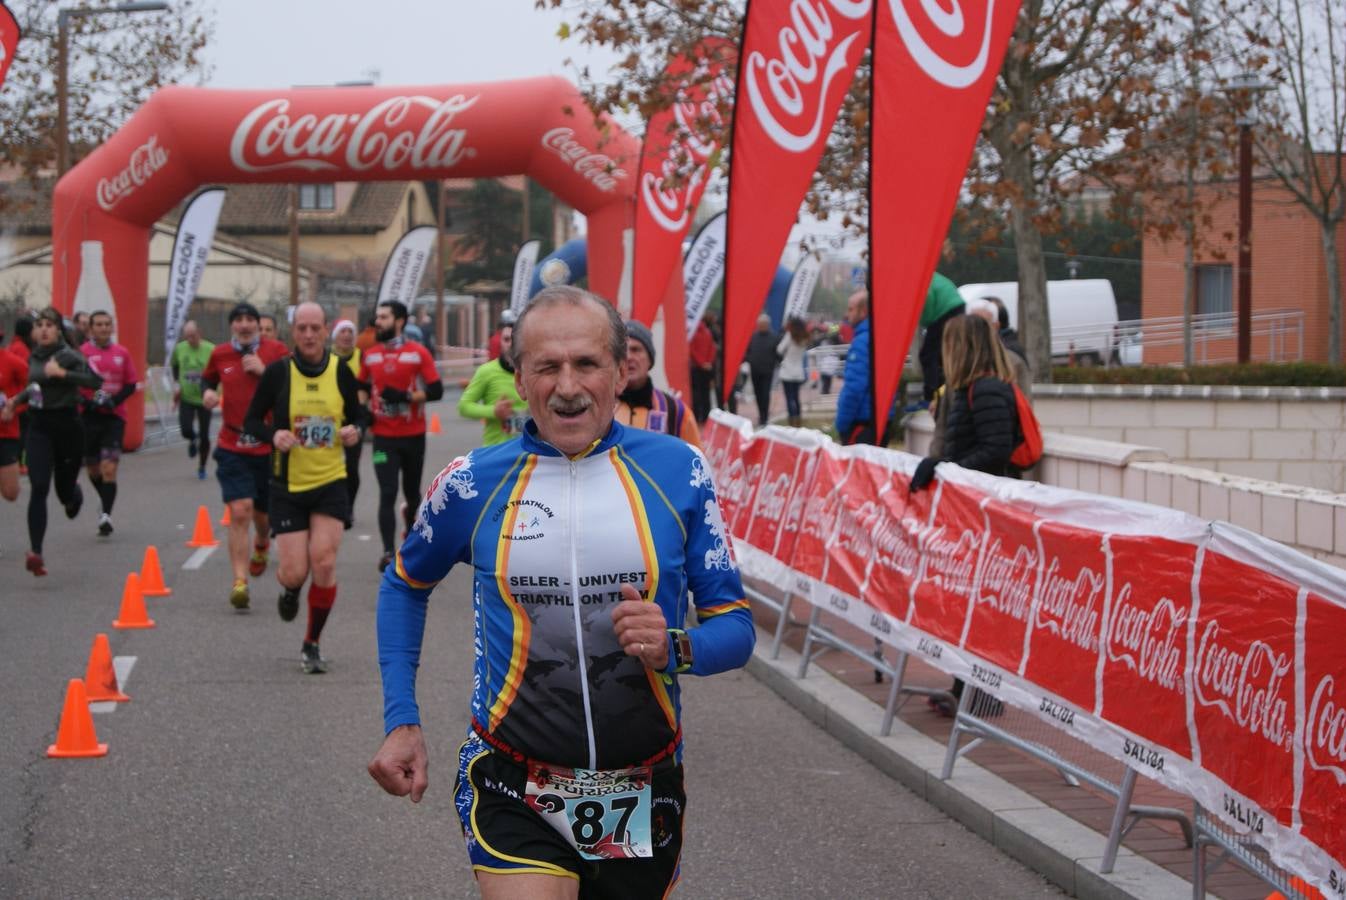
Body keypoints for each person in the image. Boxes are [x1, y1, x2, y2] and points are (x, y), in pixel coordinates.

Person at [367, 285, 755, 899]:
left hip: (641, 787)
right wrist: (401, 719)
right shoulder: (470, 484)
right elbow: (404, 587)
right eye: (547, 366)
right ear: (518, 377)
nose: (568, 386)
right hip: (513, 782)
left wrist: (675, 647)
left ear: (621, 370)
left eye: (587, 364)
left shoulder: (678, 470)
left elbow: (736, 627)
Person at [243, 303, 363, 673]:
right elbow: (251, 419)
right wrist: (273, 433)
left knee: (324, 562)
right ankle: (291, 590)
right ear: (292, 332)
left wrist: (354, 430)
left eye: (315, 328)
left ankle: (311, 643)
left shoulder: (341, 371)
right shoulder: (278, 373)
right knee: (294, 571)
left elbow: (360, 416)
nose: (309, 335)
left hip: (330, 480)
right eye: (302, 328)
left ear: (325, 330)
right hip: (288, 484)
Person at [910, 314, 1017, 716]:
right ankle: (964, 689)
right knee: (965, 604)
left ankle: (981, 695)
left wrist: (946, 469)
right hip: (970, 517)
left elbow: (995, 449)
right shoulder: (971, 389)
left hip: (982, 519)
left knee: (980, 606)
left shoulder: (987, 390)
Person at [201, 302, 290, 610]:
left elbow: (292, 388)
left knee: (262, 515)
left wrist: (264, 372)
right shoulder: (220, 354)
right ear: (232, 327)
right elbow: (207, 379)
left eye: (249, 319)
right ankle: (239, 582)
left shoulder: (277, 351)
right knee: (240, 510)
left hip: (267, 445)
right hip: (232, 443)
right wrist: (208, 394)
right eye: (238, 320)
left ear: (257, 324)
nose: (244, 324)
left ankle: (262, 541)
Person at [5, 308, 102, 576]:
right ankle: (36, 553)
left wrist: (64, 375)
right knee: (39, 486)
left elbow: (96, 382)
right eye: (40, 325)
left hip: (68, 428)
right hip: (39, 428)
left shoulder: (69, 355)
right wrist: (15, 402)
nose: (44, 329)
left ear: (58, 330)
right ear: (34, 331)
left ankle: (73, 496)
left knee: (64, 494)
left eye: (49, 325)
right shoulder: (34, 357)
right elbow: (35, 387)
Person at [357, 300, 444, 573]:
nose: (377, 322)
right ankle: (386, 553)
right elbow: (361, 385)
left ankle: (409, 532)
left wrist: (406, 397)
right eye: (377, 317)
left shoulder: (417, 353)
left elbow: (436, 390)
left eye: (383, 317)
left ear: (400, 321)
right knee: (387, 492)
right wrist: (363, 410)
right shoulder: (369, 355)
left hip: (412, 436)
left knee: (411, 493)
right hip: (383, 438)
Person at [78, 310, 139, 537]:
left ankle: (106, 515)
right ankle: (104, 499)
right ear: (91, 329)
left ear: (112, 327)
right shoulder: (82, 353)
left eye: (107, 324)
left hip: (114, 418)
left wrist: (115, 400)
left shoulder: (121, 353)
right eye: (99, 325)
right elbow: (73, 384)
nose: (103, 328)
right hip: (89, 416)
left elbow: (131, 384)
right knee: (93, 468)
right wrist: (88, 402)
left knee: (109, 468)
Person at [617, 320, 701, 448]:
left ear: (650, 360)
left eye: (636, 350)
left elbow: (696, 462)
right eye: (622, 351)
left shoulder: (677, 412)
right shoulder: (602, 406)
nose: (628, 357)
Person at [457, 321, 526, 446]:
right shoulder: (486, 371)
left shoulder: (535, 372)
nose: (511, 344)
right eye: (506, 339)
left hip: (531, 455)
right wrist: (494, 411)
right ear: (500, 342)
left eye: (515, 339)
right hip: (496, 452)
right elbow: (463, 407)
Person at [834, 290, 886, 446]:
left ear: (863, 312)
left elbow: (854, 388)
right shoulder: (879, 335)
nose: (847, 314)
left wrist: (841, 424)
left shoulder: (862, 342)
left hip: (862, 422)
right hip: (879, 419)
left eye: (850, 309)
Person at [171, 320, 216, 480]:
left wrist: (214, 387)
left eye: (193, 336)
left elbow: (222, 369)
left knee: (205, 435)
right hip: (187, 396)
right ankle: (192, 438)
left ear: (200, 334)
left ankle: (202, 466)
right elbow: (174, 366)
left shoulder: (210, 349)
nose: (191, 340)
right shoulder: (180, 349)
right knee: (185, 429)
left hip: (205, 398)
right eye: (187, 337)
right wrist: (177, 383)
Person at [331, 319, 364, 527]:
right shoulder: (326, 358)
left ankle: (348, 507)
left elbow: (370, 384)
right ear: (335, 336)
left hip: (354, 418)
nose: (346, 335)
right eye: (342, 331)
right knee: (332, 468)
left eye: (350, 332)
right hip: (330, 420)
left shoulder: (362, 357)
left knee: (351, 468)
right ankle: (333, 507)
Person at [918, 271, 966, 403]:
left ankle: (931, 395)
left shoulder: (916, 278)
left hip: (945, 310)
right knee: (942, 354)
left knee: (927, 355)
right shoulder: (925, 274)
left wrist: (925, 321)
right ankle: (942, 389)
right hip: (954, 306)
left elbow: (927, 297)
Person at [744, 314, 779, 427]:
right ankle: (761, 413)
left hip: (767, 370)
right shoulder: (753, 337)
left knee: (765, 394)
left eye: (763, 325)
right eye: (760, 325)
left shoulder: (774, 337)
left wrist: (773, 363)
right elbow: (748, 351)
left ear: (767, 325)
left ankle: (765, 417)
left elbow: (778, 354)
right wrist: (750, 360)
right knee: (758, 394)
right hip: (755, 370)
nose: (761, 326)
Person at [776, 316, 809, 428]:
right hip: (798, 371)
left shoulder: (789, 336)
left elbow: (779, 349)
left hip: (787, 371)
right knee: (796, 397)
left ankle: (792, 420)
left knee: (789, 398)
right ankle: (798, 420)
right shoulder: (804, 337)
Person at [687, 317, 716, 425]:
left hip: (696, 368)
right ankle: (706, 416)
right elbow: (712, 349)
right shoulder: (708, 333)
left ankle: (697, 416)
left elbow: (692, 351)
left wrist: (701, 363)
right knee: (706, 393)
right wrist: (708, 362)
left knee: (696, 394)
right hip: (706, 368)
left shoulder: (693, 333)